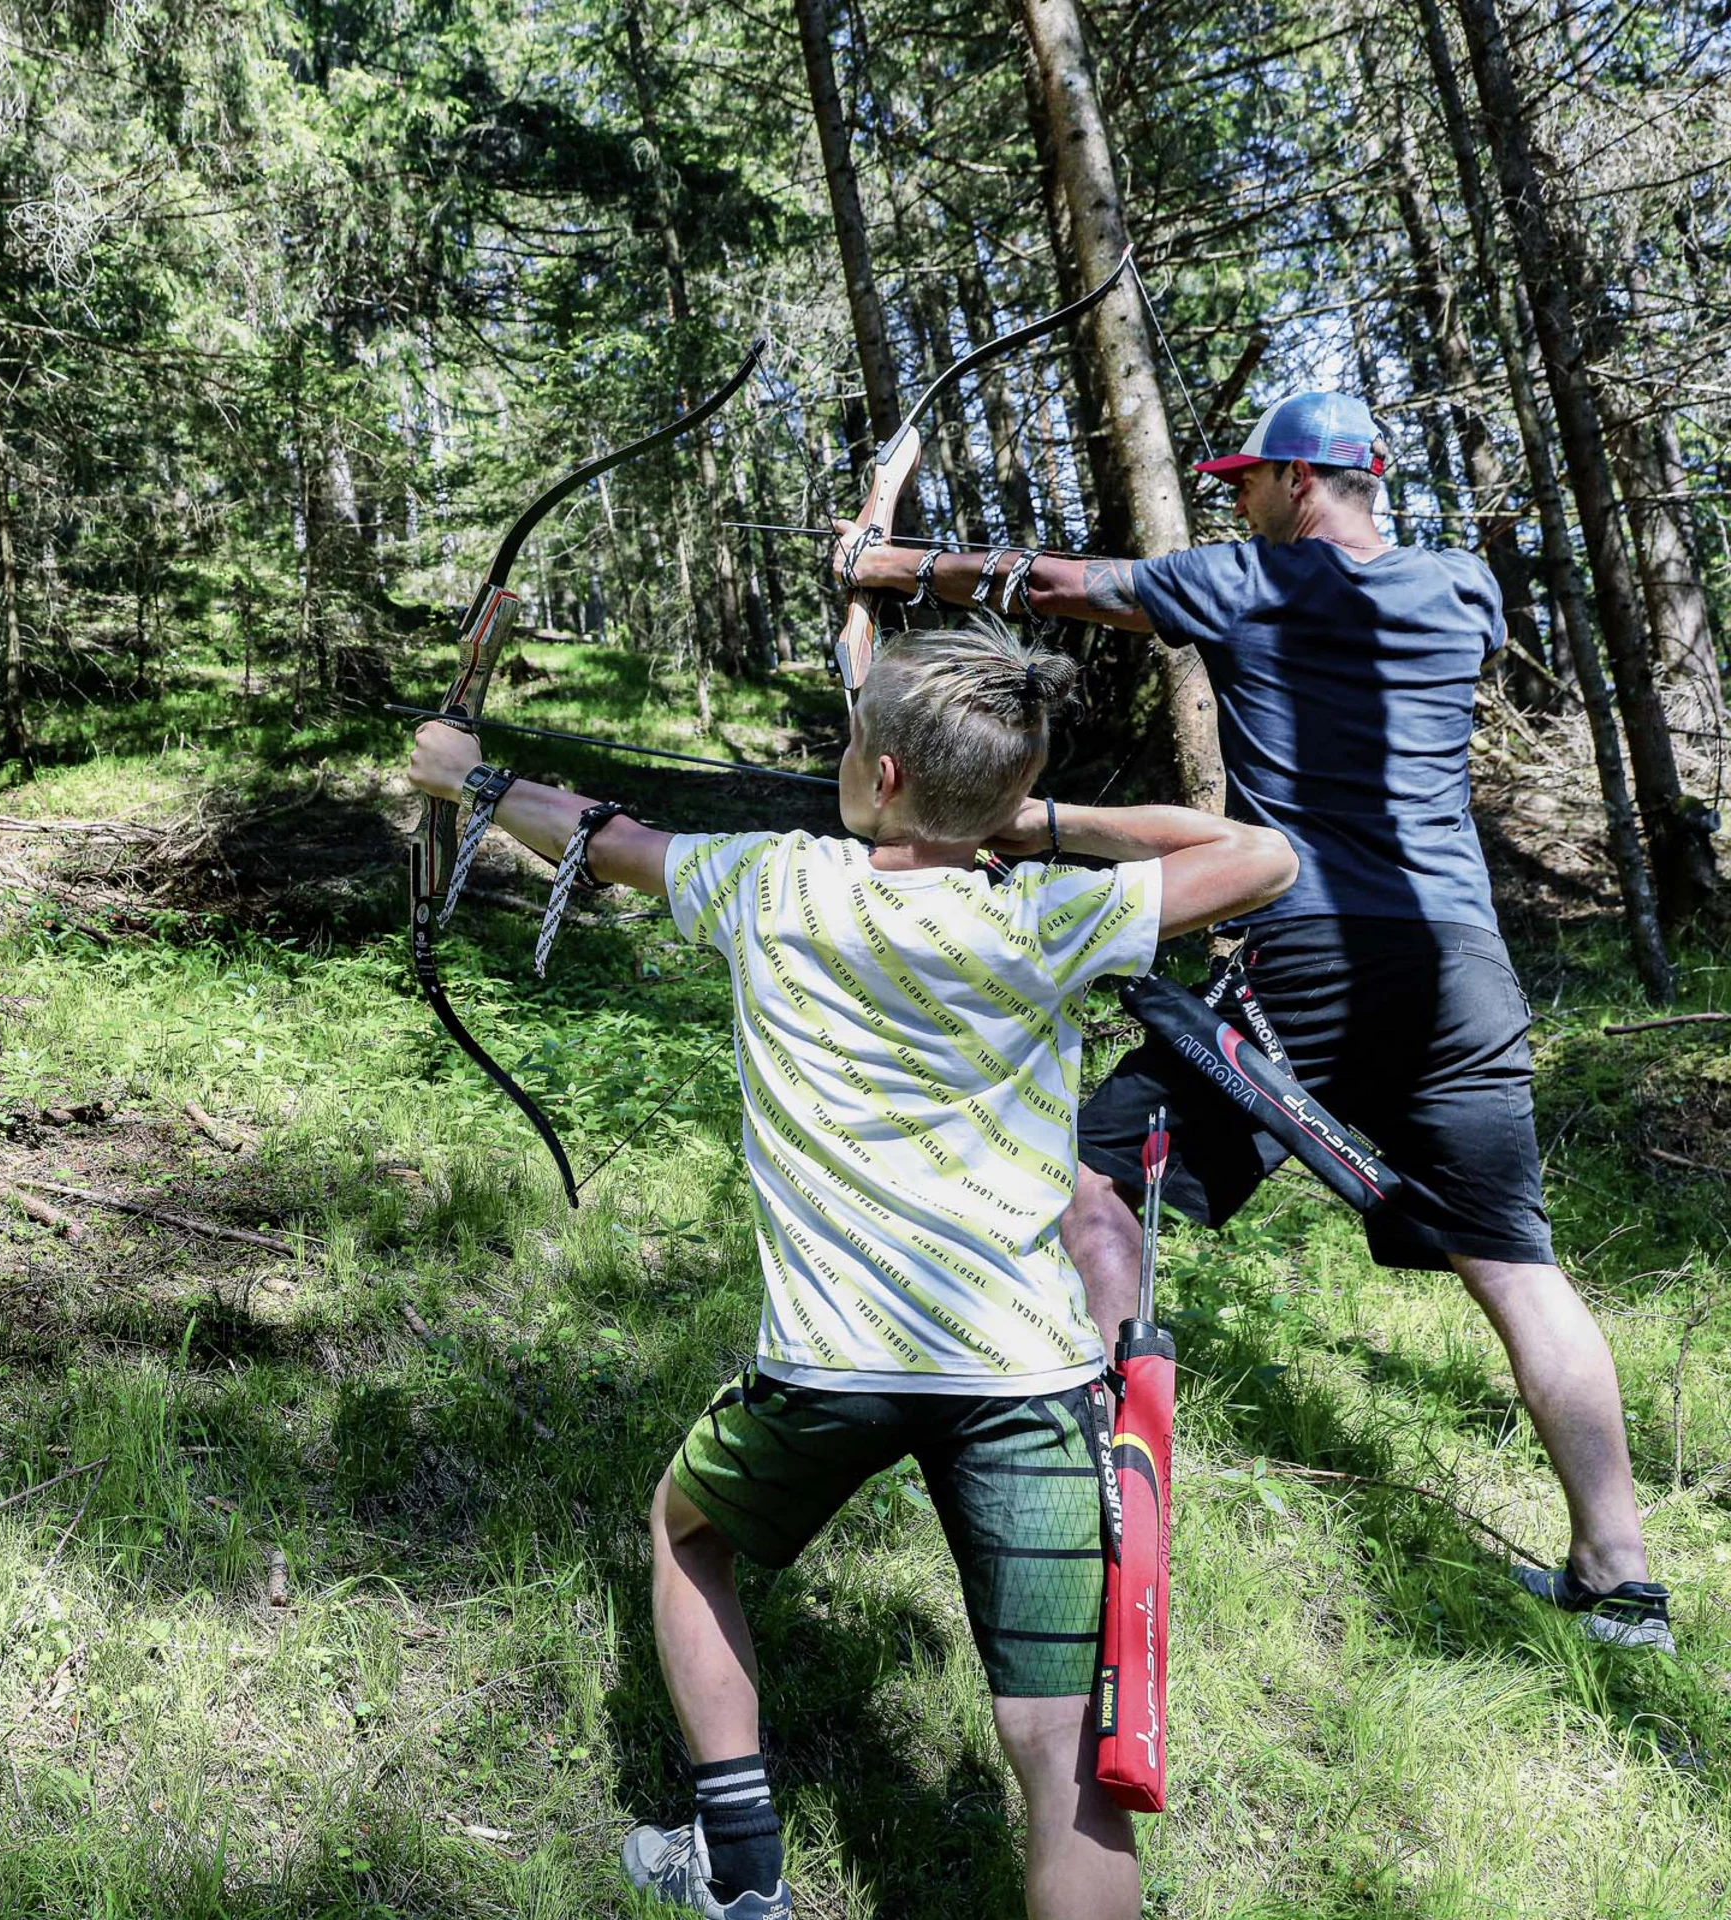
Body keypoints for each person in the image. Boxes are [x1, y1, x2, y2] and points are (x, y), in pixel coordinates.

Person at [409, 620, 1297, 1920]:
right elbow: (1265, 857)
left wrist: (465, 776)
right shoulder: (1052, 913)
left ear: (879, 775)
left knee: (685, 1534)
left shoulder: (771, 883)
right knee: (1063, 1755)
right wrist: (1036, 823)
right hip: (1025, 1378)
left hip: (827, 1373)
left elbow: (602, 838)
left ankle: (739, 1870)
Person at [840, 390, 1674, 1653]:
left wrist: (889, 564)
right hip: (1462, 964)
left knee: (1092, 1182)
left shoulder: (1244, 582)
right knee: (1515, 1261)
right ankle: (1621, 1578)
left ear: (1299, 480)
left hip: (1313, 952)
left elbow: (1057, 585)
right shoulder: (1463, 591)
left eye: (1247, 480)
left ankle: (1099, 1499)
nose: (1236, 499)